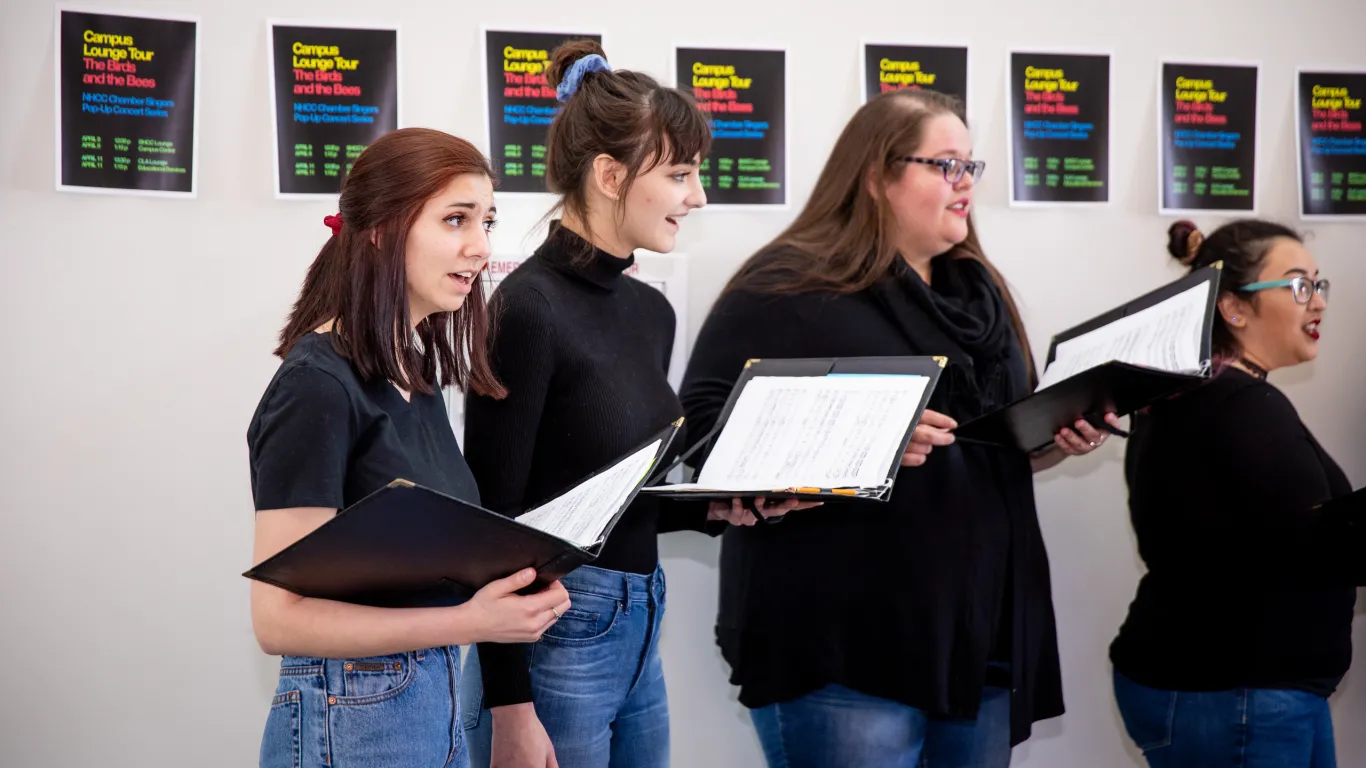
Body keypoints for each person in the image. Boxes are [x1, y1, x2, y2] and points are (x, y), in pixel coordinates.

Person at [677, 88, 1117, 768]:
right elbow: (702, 440)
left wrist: (1051, 440)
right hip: (843, 647)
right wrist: (861, 438)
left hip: (976, 636)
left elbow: (987, 448)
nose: (964, 183)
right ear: (877, 177)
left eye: (971, 167)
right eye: (944, 165)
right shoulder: (788, 287)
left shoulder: (981, 294)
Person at [459, 41, 803, 768]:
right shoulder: (527, 309)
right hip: (557, 635)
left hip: (642, 621)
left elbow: (618, 492)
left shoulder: (653, 311)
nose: (698, 196)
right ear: (610, 175)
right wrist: (510, 711)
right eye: (679, 174)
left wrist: (720, 507)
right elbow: (492, 525)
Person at [246, 127, 572, 768]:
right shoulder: (316, 386)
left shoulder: (412, 371)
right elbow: (277, 620)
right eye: (456, 219)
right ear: (379, 229)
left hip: (430, 698)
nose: (480, 248)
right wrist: (472, 624)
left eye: (487, 222)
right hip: (353, 714)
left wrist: (518, 583)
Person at [1110, 219, 1350, 768]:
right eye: (1297, 286)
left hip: (1240, 686)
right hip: (1235, 694)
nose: (1317, 302)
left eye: (1319, 285)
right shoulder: (1239, 405)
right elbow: (1319, 542)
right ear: (1234, 309)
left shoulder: (1191, 393)